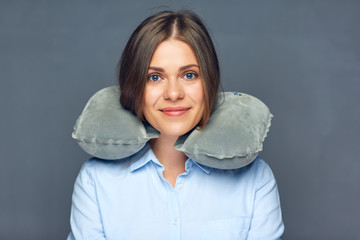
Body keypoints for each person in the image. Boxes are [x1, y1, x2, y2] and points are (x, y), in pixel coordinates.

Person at [67, 10, 284, 240]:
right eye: (154, 77)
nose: (173, 93)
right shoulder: (96, 181)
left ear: (209, 81)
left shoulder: (256, 179)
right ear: (133, 86)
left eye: (189, 75)